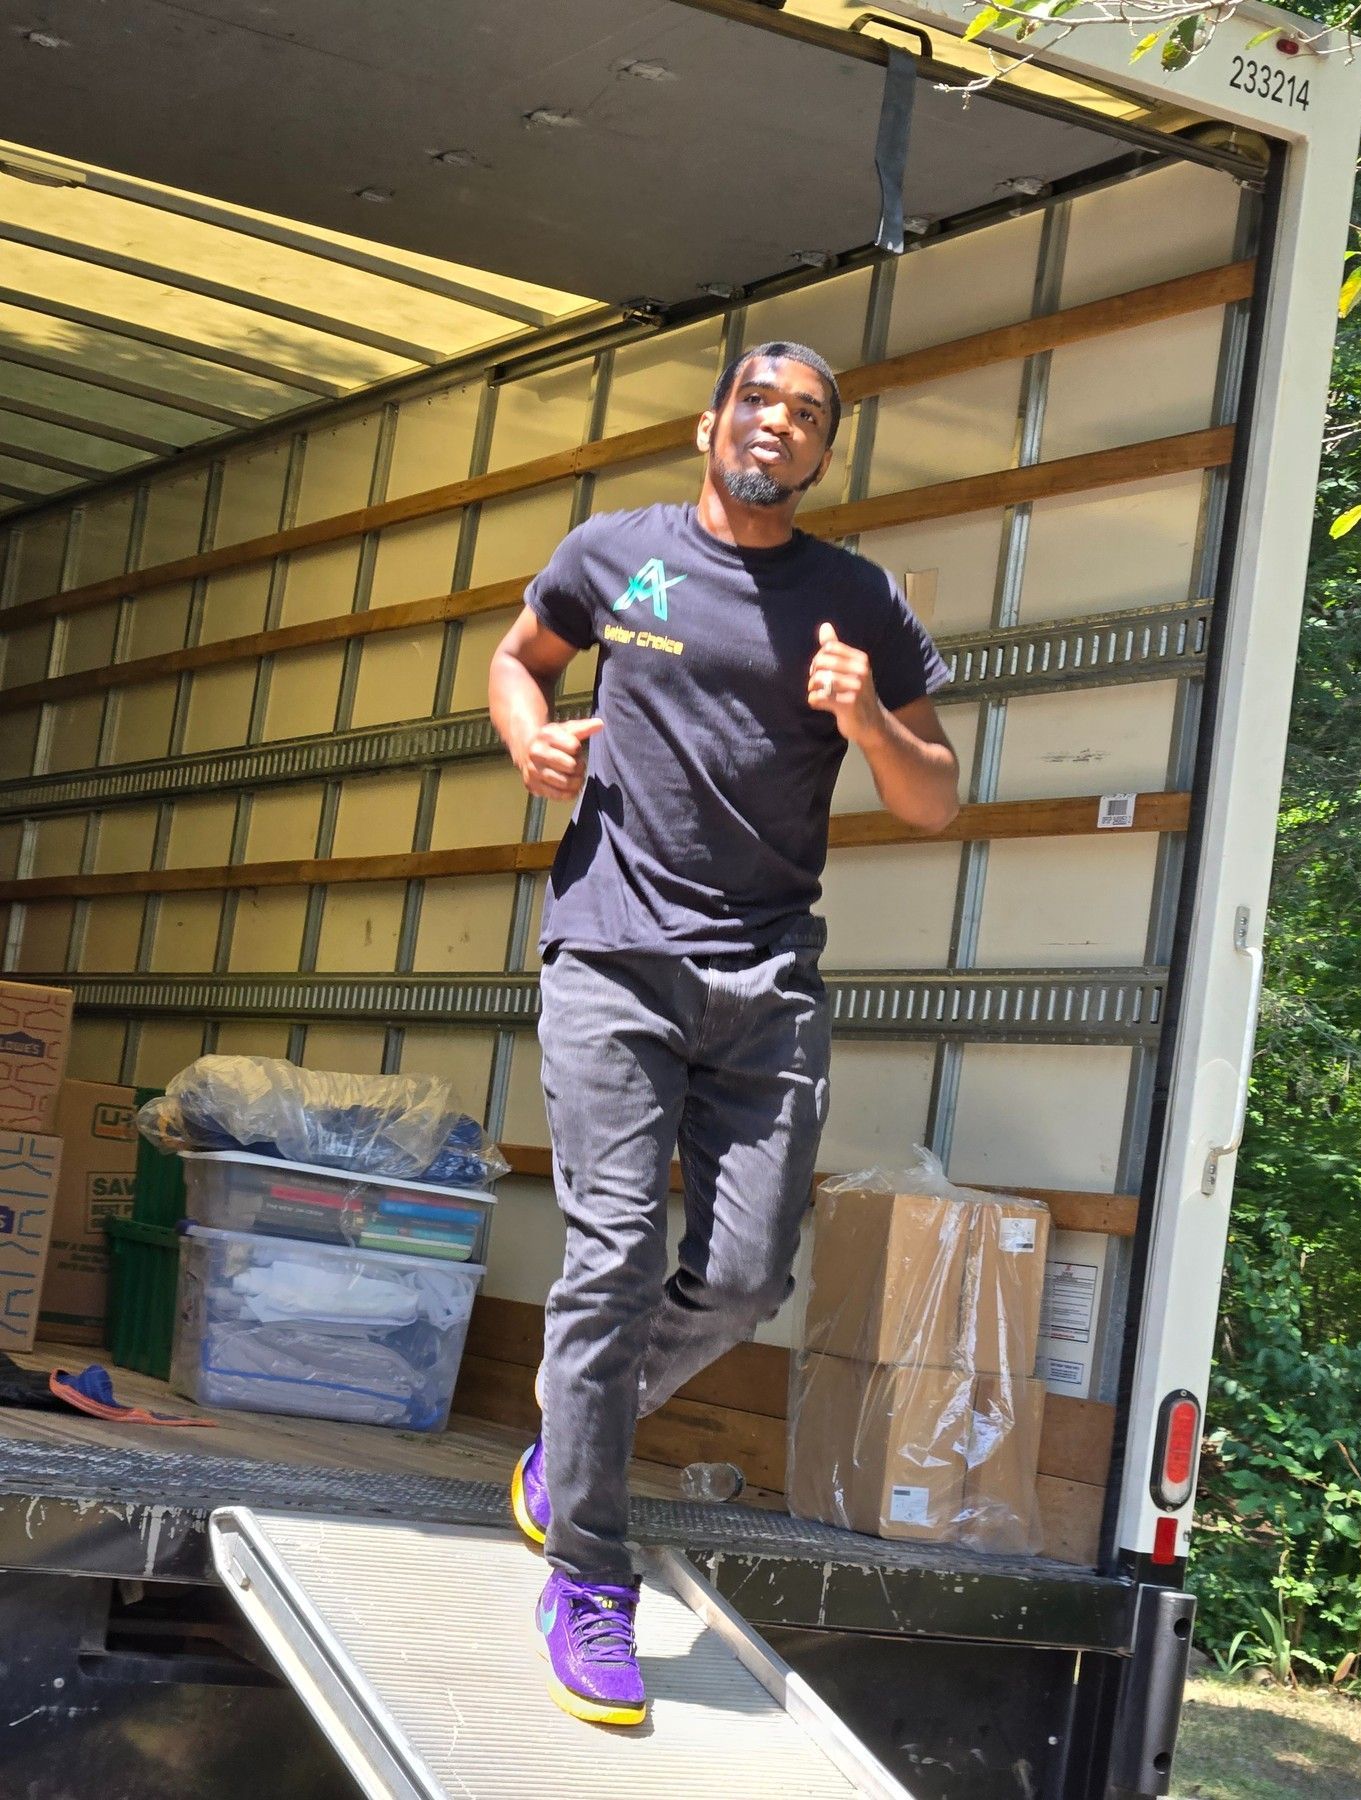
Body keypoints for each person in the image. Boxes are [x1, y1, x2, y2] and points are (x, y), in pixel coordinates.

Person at [488, 338, 959, 1726]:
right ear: (713, 423)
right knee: (614, 1257)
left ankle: (574, 1434)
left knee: (749, 1277)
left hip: (765, 976)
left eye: (806, 415)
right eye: (758, 400)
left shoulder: (856, 599)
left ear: (823, 453)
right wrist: (528, 736)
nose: (777, 425)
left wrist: (865, 717)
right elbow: (518, 660)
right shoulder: (614, 554)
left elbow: (935, 795)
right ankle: (588, 1582)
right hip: (612, 957)